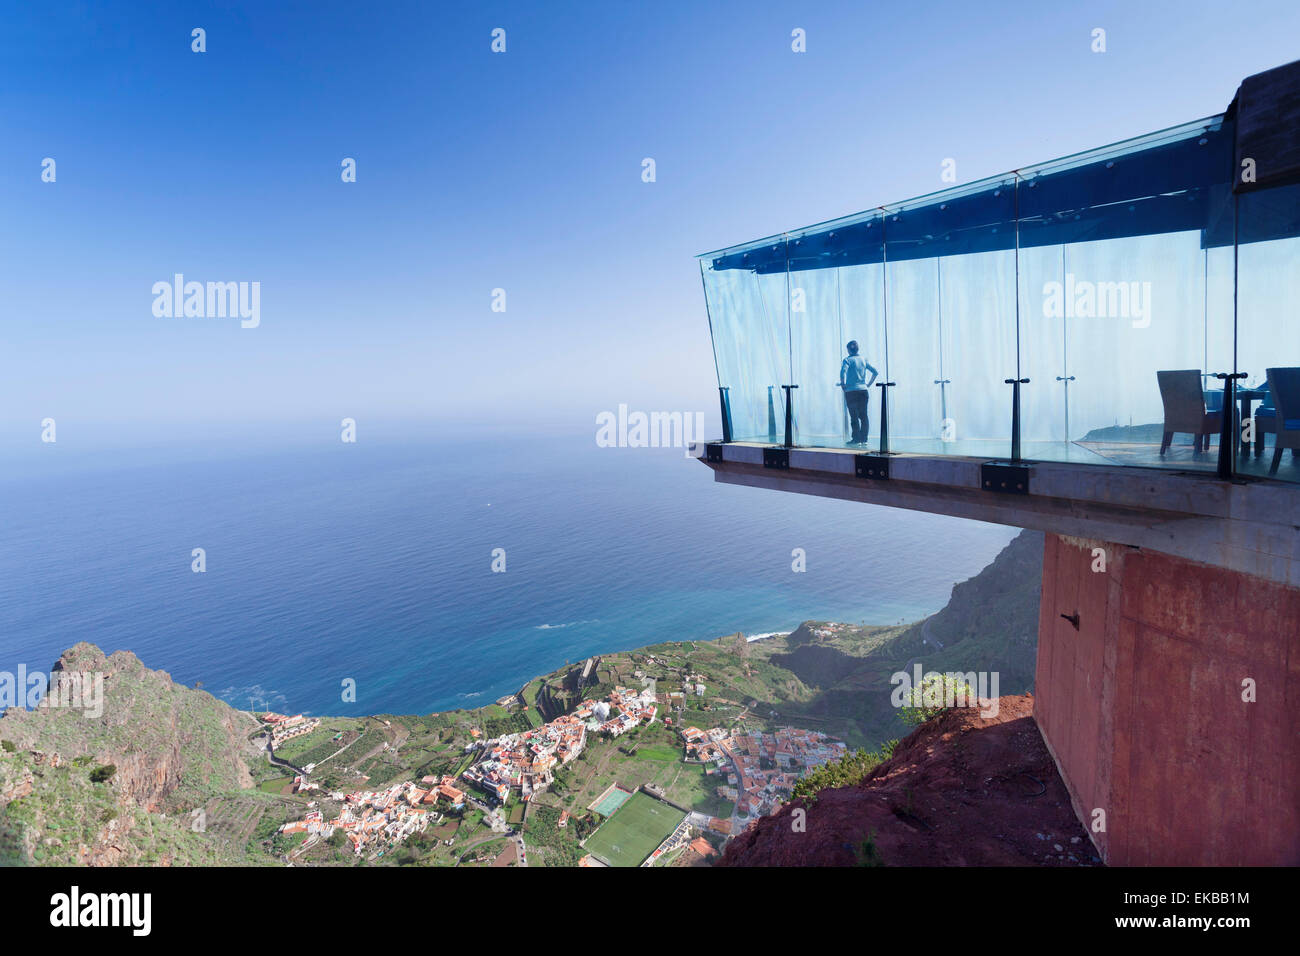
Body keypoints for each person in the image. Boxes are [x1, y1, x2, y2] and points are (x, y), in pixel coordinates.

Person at [839, 340, 879, 445]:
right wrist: (868, 384)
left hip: (851, 391)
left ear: (848, 350)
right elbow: (875, 372)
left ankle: (856, 439)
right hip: (863, 390)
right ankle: (864, 439)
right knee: (864, 415)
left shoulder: (847, 360)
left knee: (854, 416)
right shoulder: (863, 359)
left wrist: (843, 384)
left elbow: (843, 372)